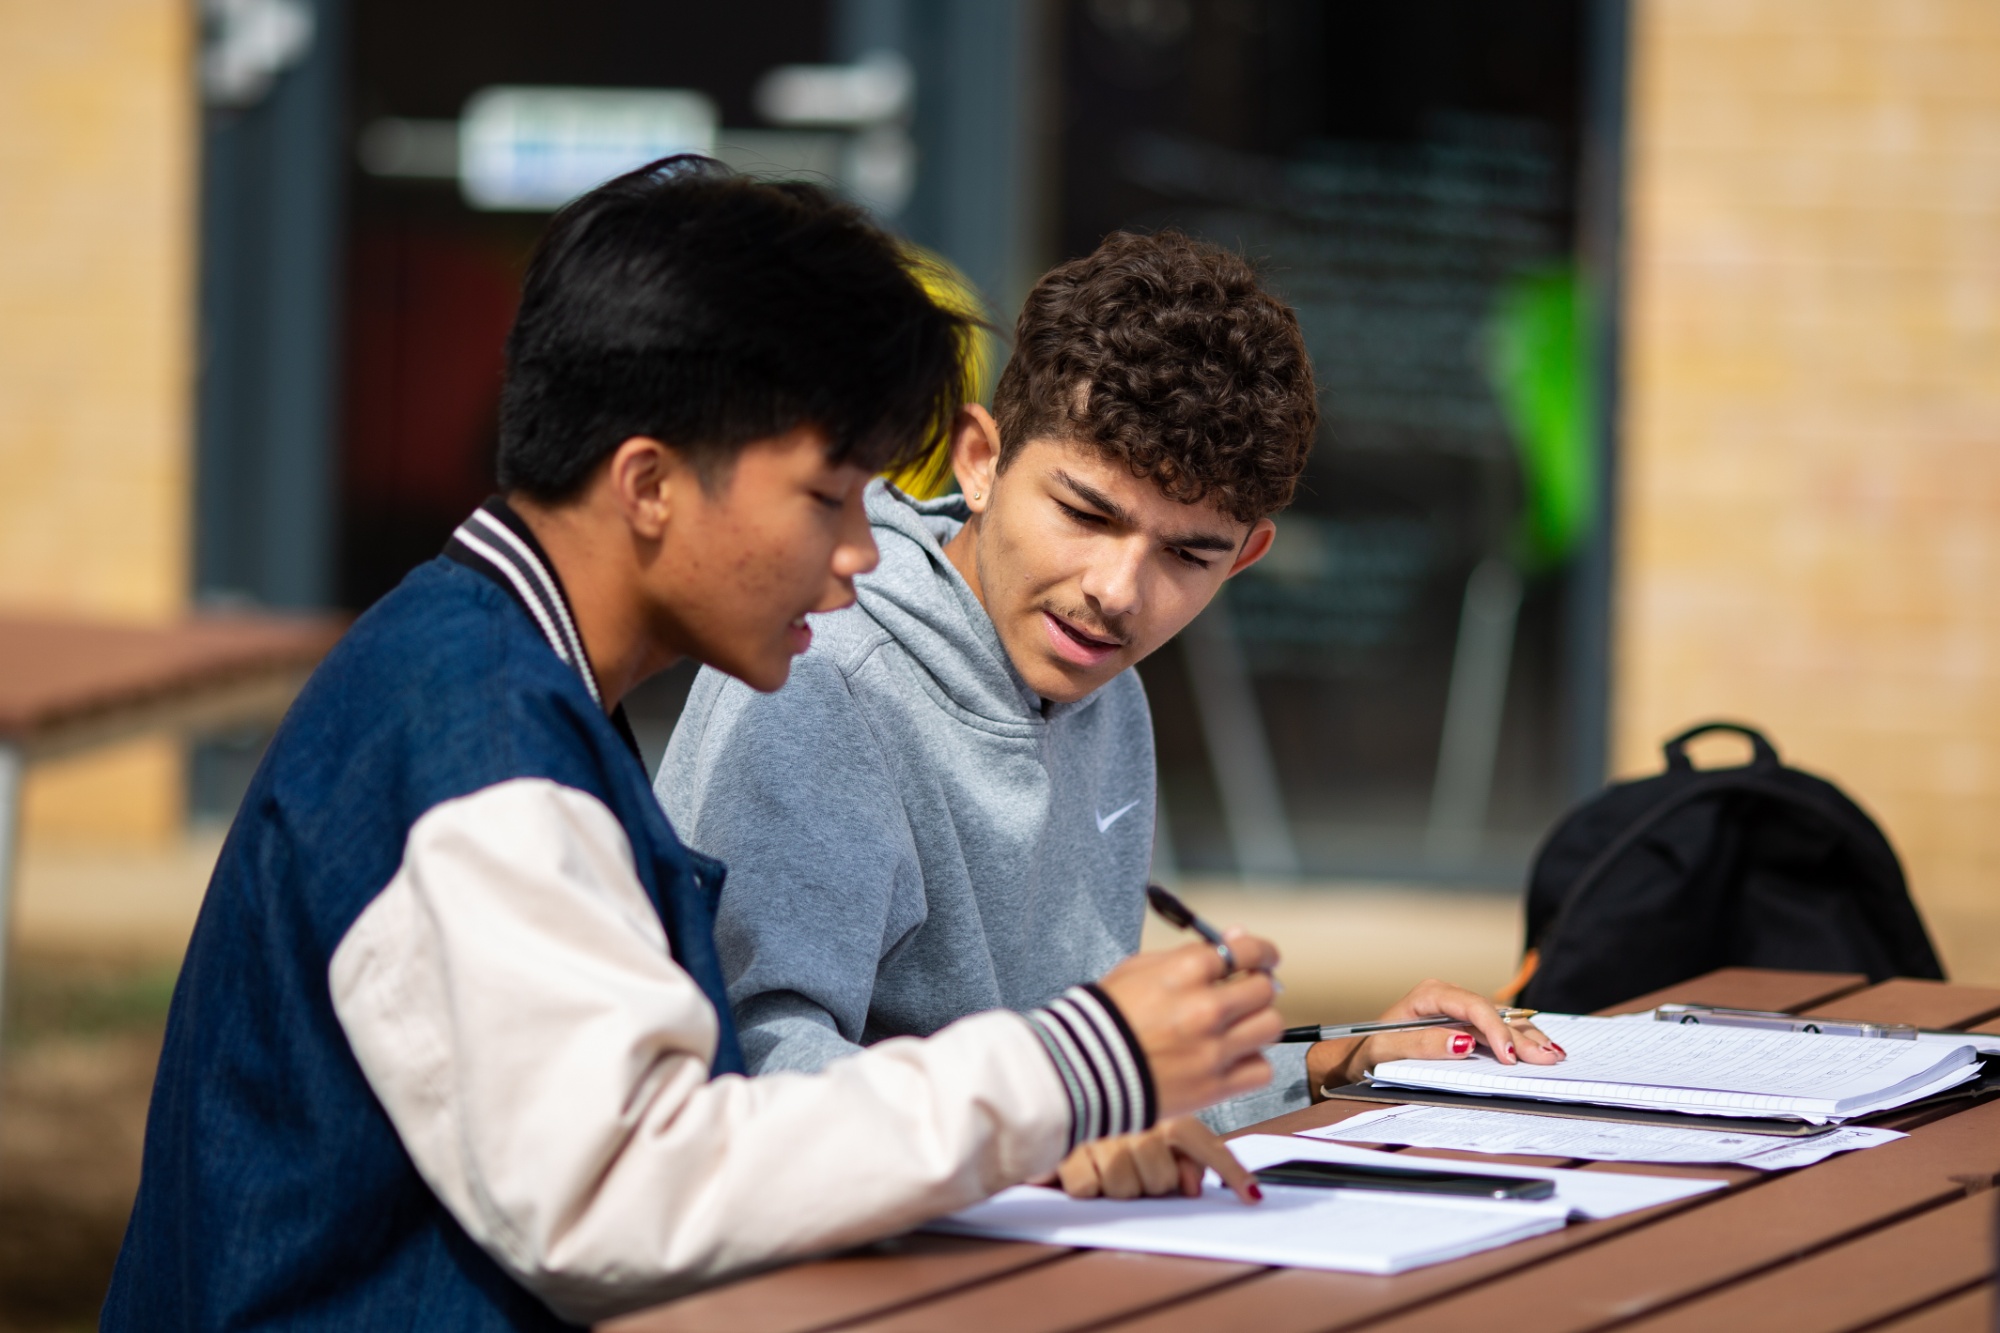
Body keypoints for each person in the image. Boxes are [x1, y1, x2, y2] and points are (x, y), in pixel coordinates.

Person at [102, 162, 1288, 1330]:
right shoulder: (473, 744)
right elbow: (619, 1197)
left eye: (1186, 551)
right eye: (829, 496)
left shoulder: (499, 670)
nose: (864, 553)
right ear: (650, 484)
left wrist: (1299, 1060)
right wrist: (1074, 1068)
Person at [659, 230, 1563, 1200]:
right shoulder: (822, 676)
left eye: (1187, 555)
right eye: (1085, 515)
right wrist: (1044, 1133)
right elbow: (750, 1077)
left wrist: (1333, 1061)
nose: (1117, 592)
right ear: (978, 461)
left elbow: (1104, 1093)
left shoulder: (1102, 695)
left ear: (1245, 557)